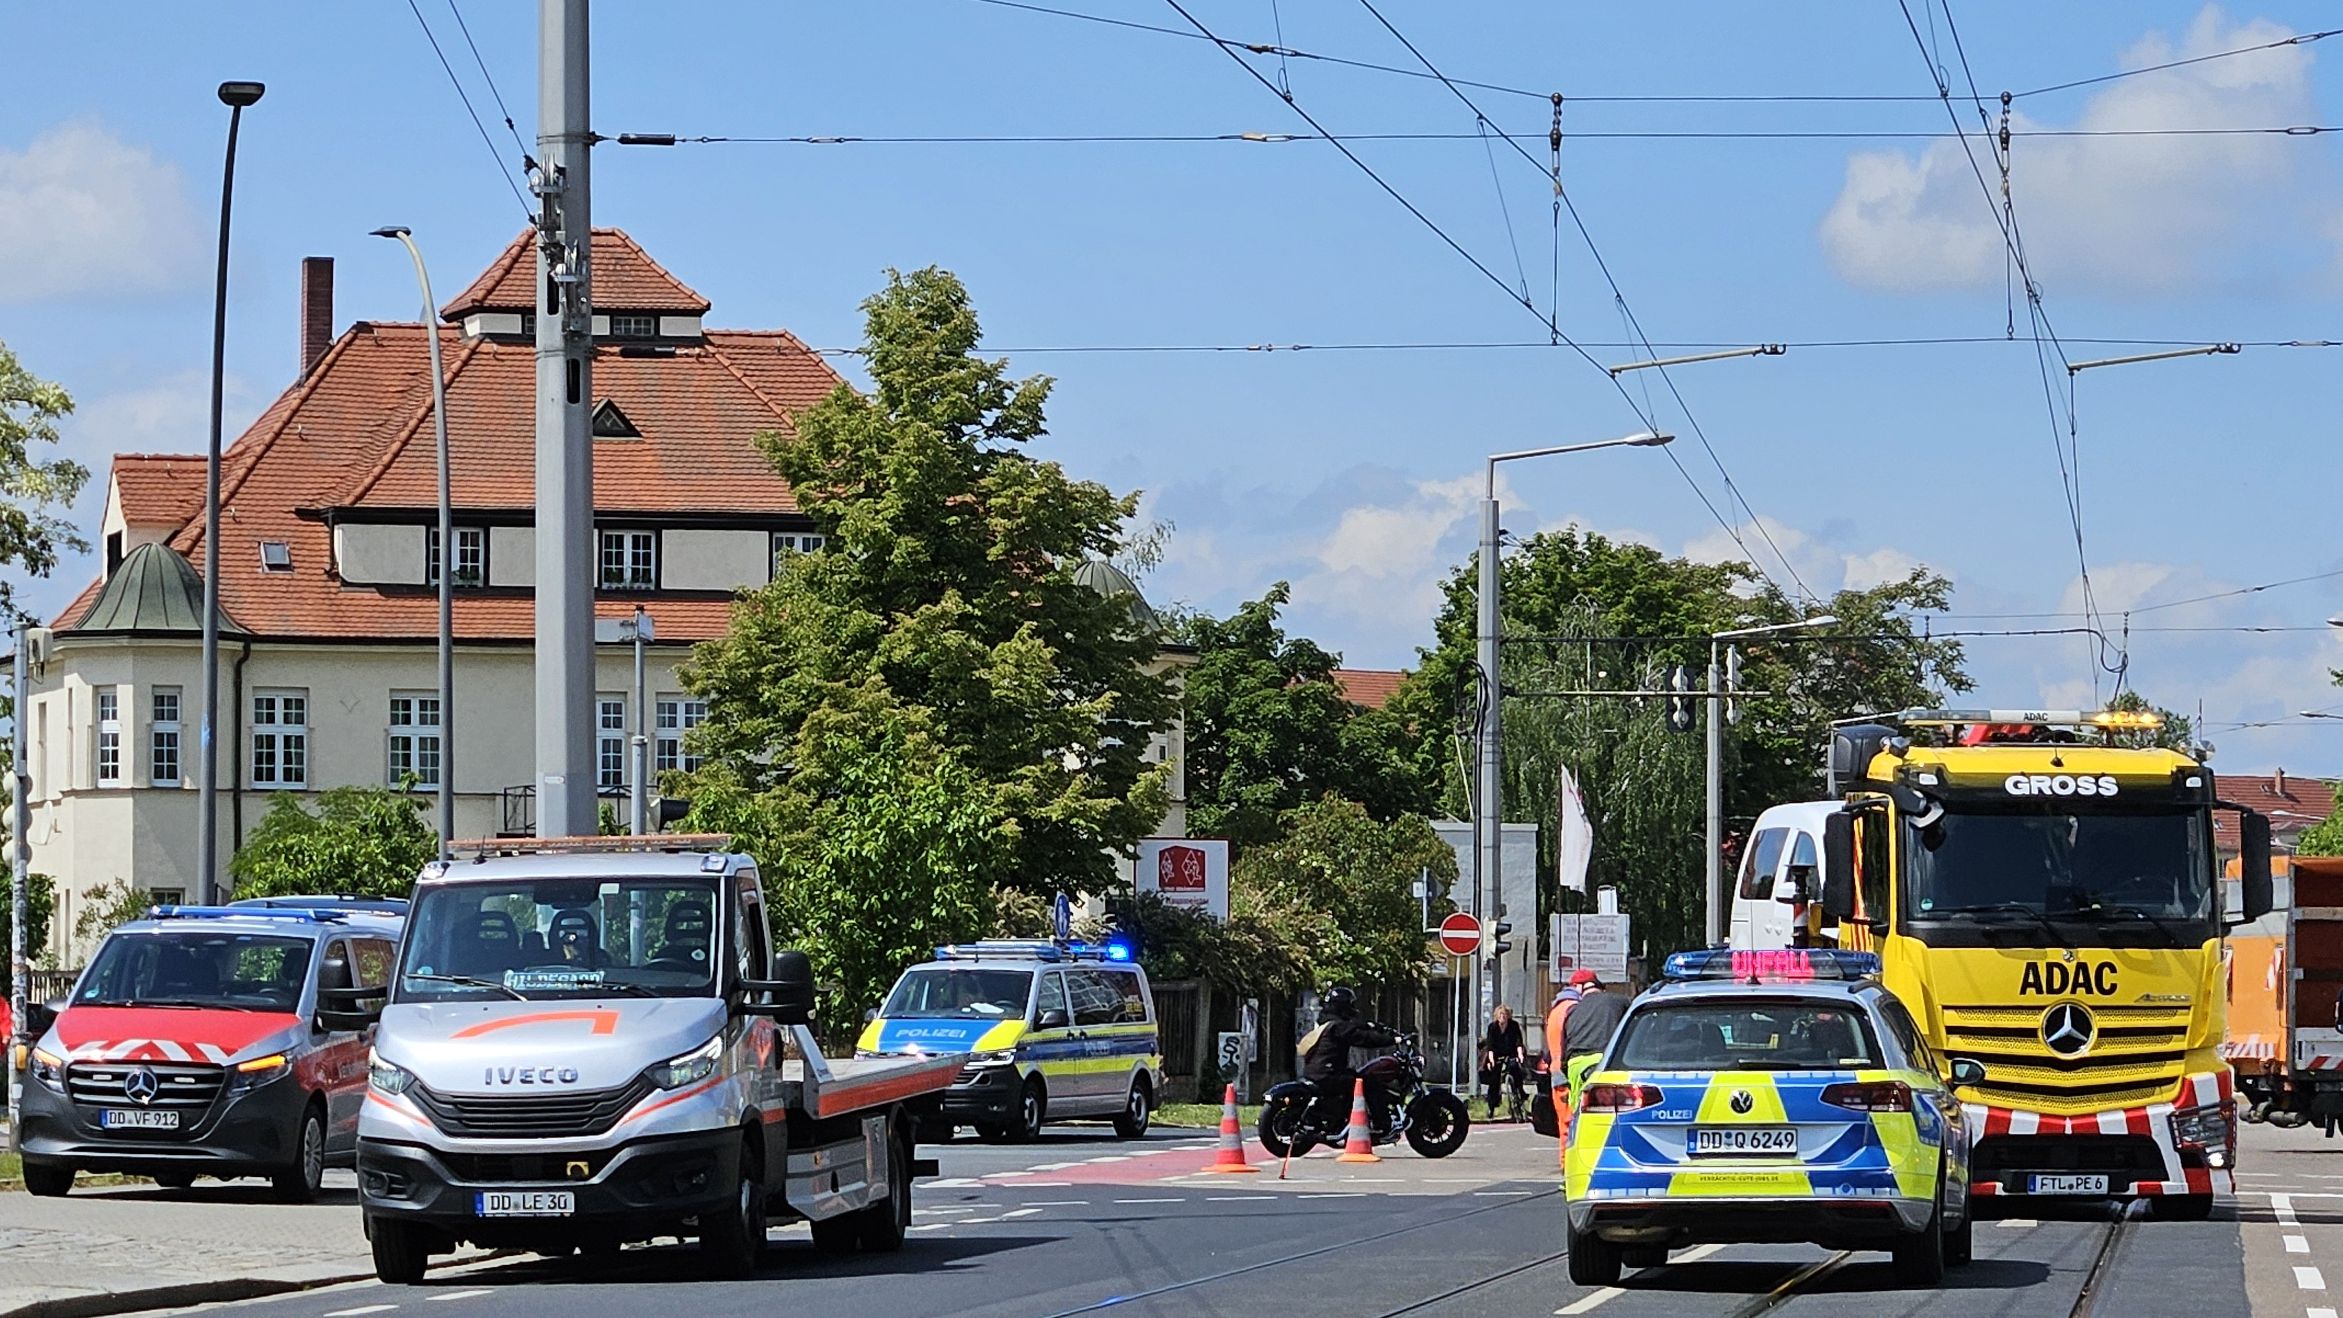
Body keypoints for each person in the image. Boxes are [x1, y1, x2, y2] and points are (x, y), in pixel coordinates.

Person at [1300, 986, 1398, 1133]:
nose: (1353, 1007)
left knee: (1353, 1079)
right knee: (1370, 1083)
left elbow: (1355, 1027)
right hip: (1329, 1074)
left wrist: (1370, 1025)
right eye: (1350, 1004)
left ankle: (1343, 1119)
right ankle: (1381, 1125)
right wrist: (1391, 1040)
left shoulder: (1326, 1023)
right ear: (1343, 1006)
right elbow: (1363, 1038)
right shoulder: (1338, 1026)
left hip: (1315, 1073)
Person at [1560, 969, 1631, 1121]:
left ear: (1579, 988)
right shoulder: (1619, 1001)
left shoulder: (1572, 1010)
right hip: (1604, 1061)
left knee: (1578, 1114)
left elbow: (1563, 1044)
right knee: (1610, 1113)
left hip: (1576, 1064)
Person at [1480, 1004, 1527, 1119]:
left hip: (1511, 1052)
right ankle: (1492, 1106)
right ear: (1497, 1016)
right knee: (1494, 1079)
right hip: (1496, 1054)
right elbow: (1490, 1046)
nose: (1503, 1017)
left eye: (1505, 1015)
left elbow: (1518, 1042)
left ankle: (1520, 1094)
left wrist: (1520, 1055)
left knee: (1516, 1070)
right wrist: (1491, 1060)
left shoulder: (1514, 1026)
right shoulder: (1493, 1027)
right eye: (1500, 1015)